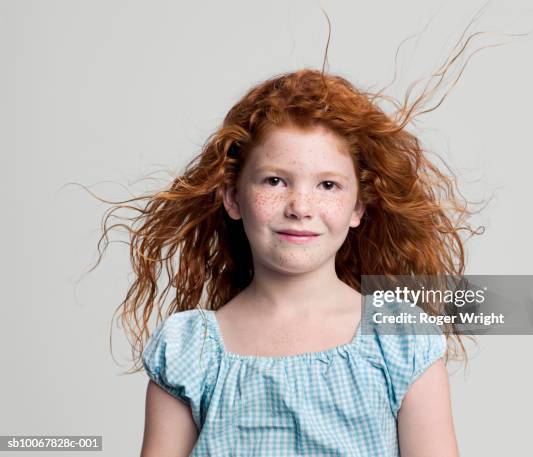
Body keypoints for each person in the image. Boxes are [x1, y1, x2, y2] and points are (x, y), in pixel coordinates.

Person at [94, 27, 485, 456]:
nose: (301, 206)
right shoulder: (189, 350)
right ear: (232, 198)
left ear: (358, 209)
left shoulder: (400, 338)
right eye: (275, 180)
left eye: (329, 185)